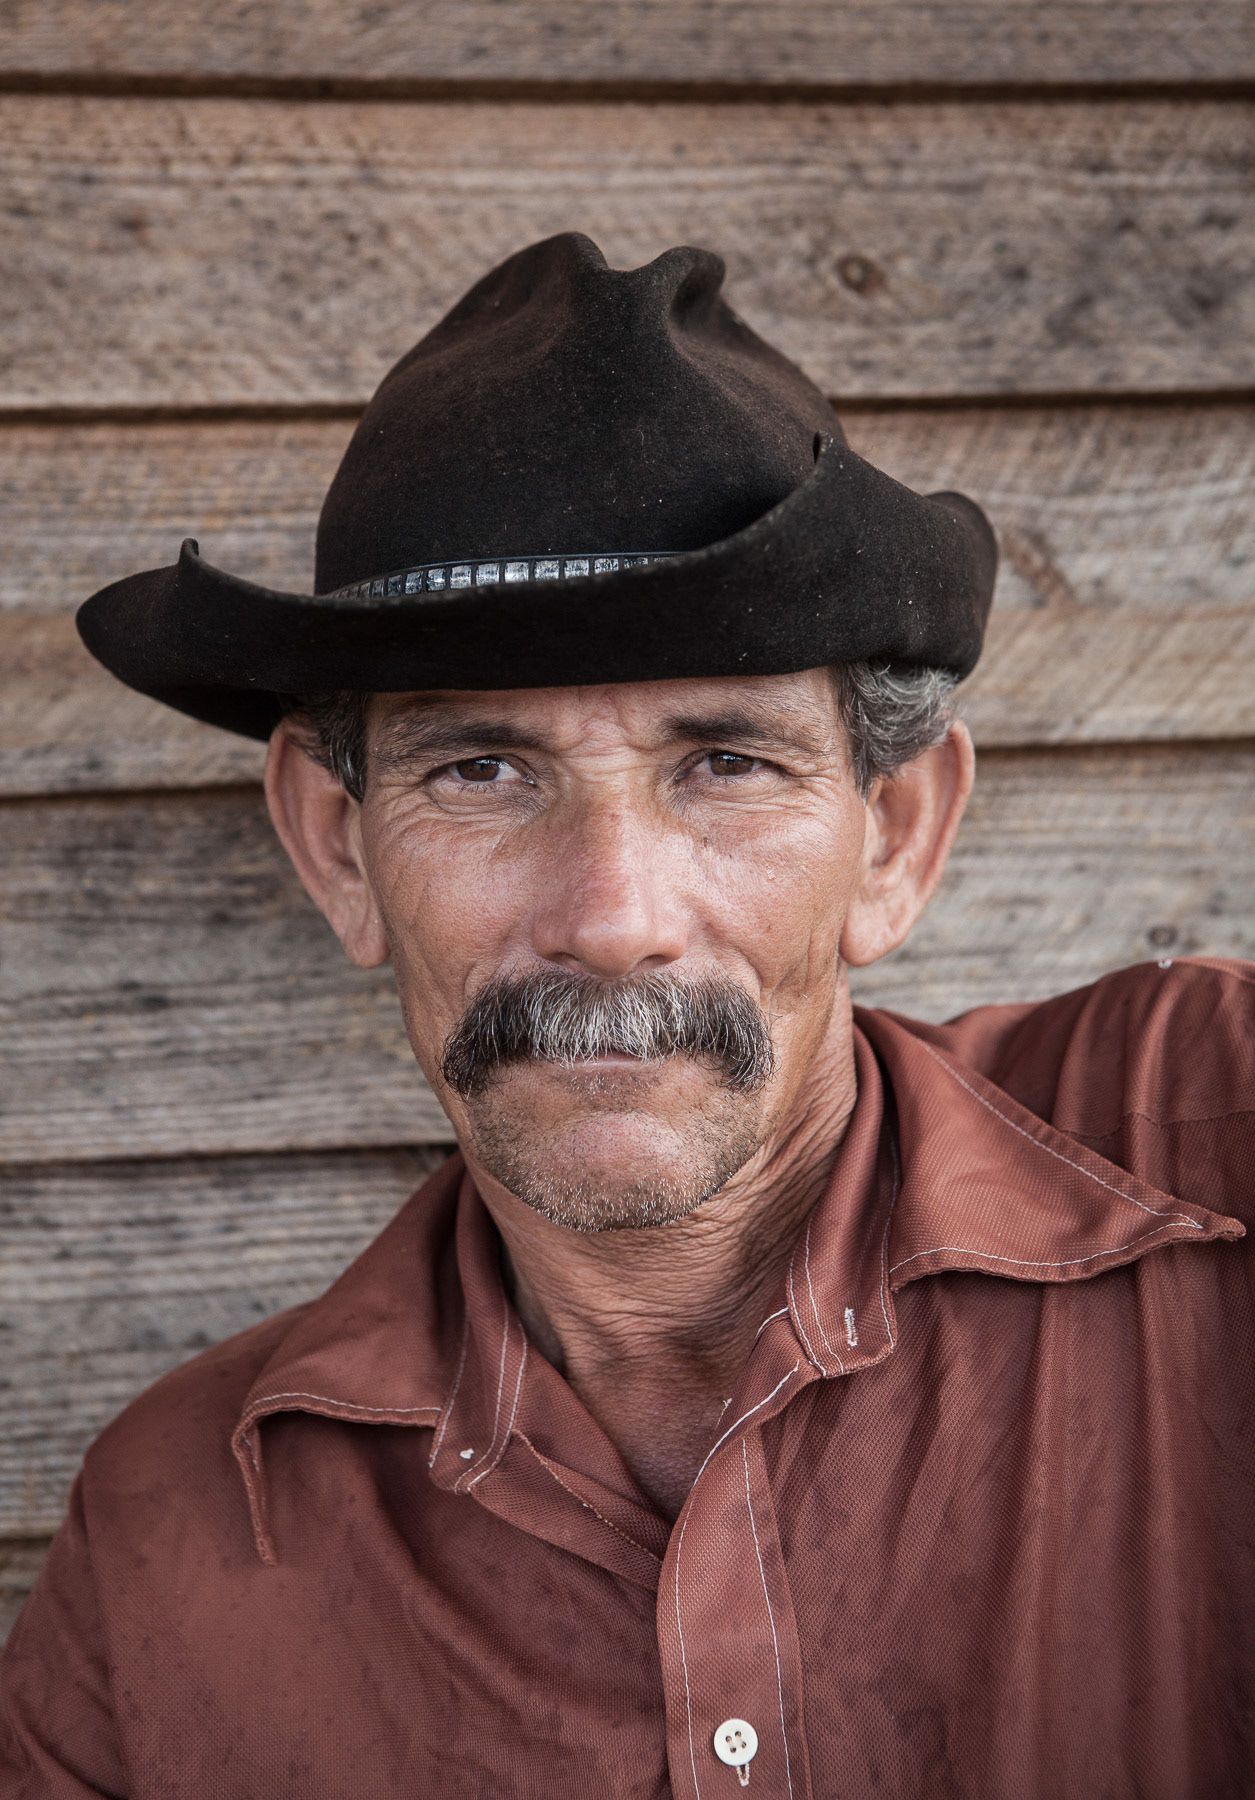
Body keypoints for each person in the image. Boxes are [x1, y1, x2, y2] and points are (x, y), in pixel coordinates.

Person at [2, 233, 1251, 1800]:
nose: (610, 916)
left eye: (725, 762)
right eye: (483, 770)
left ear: (897, 837)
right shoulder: (171, 1548)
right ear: (340, 849)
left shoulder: (1218, 1150)